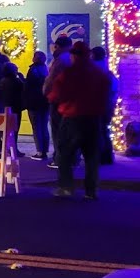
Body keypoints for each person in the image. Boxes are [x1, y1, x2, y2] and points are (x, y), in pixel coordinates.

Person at [47, 41, 112, 200]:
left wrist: (54, 99)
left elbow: (55, 95)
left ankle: (66, 186)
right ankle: (91, 190)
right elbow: (107, 95)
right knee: (91, 156)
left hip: (72, 118)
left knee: (65, 154)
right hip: (93, 119)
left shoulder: (68, 74)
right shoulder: (99, 73)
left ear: (73, 55)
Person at [43, 36, 74, 169]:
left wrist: (45, 91)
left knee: (58, 131)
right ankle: (71, 158)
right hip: (71, 100)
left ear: (58, 46)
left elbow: (51, 80)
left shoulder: (60, 60)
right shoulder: (74, 59)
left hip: (58, 99)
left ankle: (60, 159)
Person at [91, 46, 119, 165]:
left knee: (97, 131)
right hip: (108, 104)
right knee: (104, 130)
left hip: (98, 104)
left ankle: (99, 156)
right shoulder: (108, 70)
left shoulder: (94, 69)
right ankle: (107, 155)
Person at [24, 52, 51, 160]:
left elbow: (29, 86)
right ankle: (45, 149)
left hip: (34, 102)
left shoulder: (33, 70)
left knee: (36, 127)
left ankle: (40, 151)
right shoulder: (46, 69)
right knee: (44, 126)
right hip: (44, 102)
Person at [0, 62, 26, 157]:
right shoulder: (16, 81)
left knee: (7, 130)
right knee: (14, 130)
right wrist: (22, 78)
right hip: (15, 107)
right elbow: (24, 89)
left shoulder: (2, 81)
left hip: (5, 106)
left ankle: (6, 148)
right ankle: (14, 149)